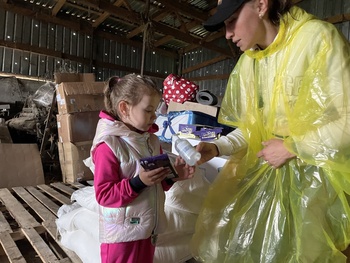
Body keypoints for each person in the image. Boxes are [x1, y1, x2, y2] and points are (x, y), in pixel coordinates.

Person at [191, 0, 350, 262]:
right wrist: (219, 147)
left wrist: (292, 147)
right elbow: (251, 129)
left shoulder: (316, 39)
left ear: (261, 5)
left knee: (307, 254)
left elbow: (346, 121)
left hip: (312, 187)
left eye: (231, 21)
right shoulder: (249, 63)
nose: (228, 34)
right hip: (264, 179)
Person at [86, 73, 195, 263]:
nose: (155, 116)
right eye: (149, 110)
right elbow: (104, 195)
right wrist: (138, 182)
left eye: (156, 110)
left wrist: (172, 177)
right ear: (124, 108)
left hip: (147, 229)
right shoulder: (109, 146)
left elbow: (154, 183)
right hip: (121, 236)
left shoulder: (151, 140)